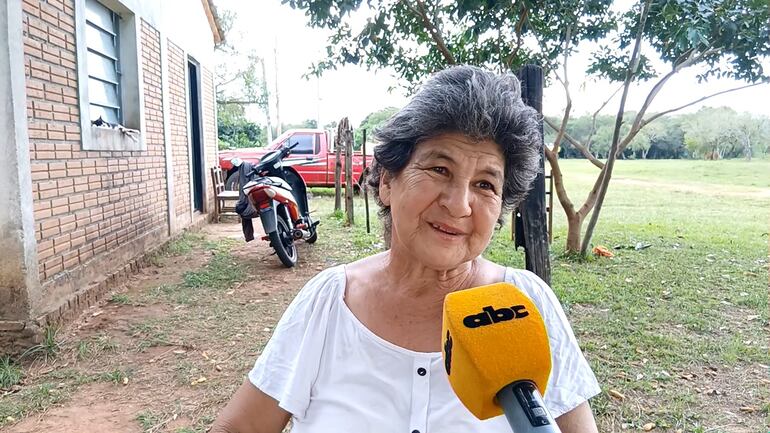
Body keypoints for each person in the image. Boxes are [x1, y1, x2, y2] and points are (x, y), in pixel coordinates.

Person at [211, 65, 601, 433]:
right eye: (439, 169)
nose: (459, 204)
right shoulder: (329, 302)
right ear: (386, 181)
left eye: (485, 185)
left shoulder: (527, 303)